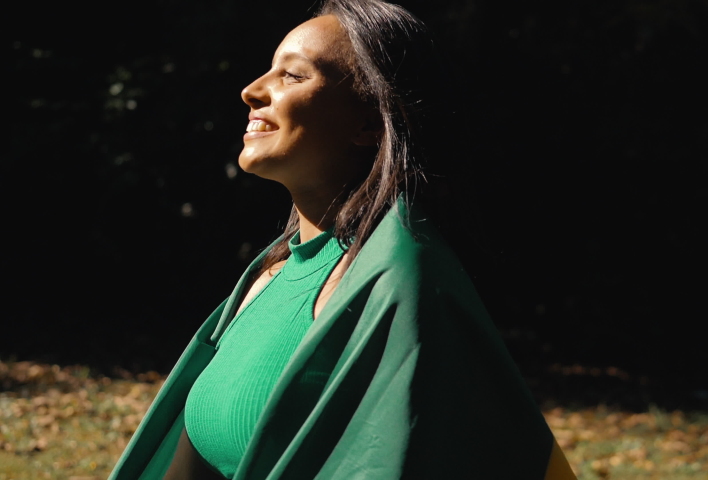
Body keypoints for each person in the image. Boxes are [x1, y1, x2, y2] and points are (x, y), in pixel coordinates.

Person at [109, 1, 576, 478]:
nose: (252, 91)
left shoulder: (400, 283)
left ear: (370, 121)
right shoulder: (269, 275)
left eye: (292, 76)